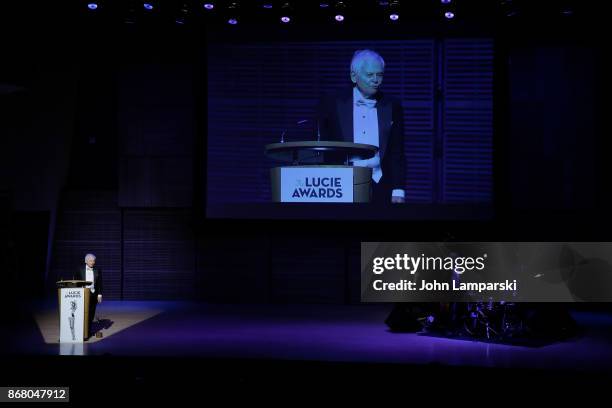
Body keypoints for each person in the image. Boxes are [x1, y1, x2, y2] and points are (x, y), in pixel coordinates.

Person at [316, 49, 406, 204]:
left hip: (380, 184)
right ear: (353, 76)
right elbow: (321, 147)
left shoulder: (392, 105)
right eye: (370, 75)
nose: (376, 80)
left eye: (380, 75)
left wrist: (398, 189)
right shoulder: (332, 104)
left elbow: (397, 151)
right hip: (340, 184)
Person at [76, 253, 103, 338]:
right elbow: (75, 282)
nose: (93, 262)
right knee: (82, 314)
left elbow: (100, 283)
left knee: (91, 314)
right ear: (86, 261)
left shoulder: (97, 269)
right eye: (91, 261)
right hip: (82, 294)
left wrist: (99, 294)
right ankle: (81, 332)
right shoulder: (79, 269)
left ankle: (87, 333)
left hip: (93, 294)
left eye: (94, 261)